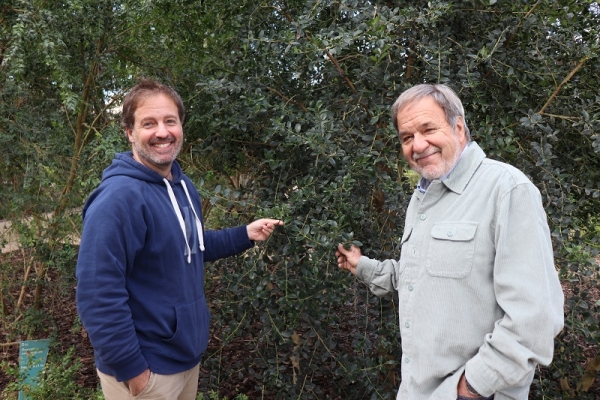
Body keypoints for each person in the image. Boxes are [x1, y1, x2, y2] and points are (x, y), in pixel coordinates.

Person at [335, 84, 564, 400]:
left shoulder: (507, 189)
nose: (418, 144)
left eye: (428, 129)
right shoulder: (425, 194)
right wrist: (364, 267)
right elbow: (423, 277)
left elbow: (534, 320)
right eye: (406, 137)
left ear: (458, 127)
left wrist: (469, 389)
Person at [76, 78, 283, 400]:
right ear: (130, 132)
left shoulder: (182, 186)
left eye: (169, 121)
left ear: (181, 126)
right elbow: (96, 293)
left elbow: (190, 246)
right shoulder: (118, 199)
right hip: (147, 369)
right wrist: (134, 372)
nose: (162, 132)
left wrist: (244, 234)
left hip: (184, 357)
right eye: (149, 123)